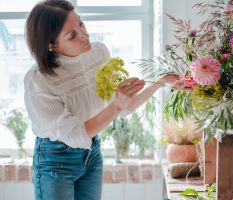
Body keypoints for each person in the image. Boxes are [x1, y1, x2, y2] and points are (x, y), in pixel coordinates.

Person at [24, 0, 194, 200]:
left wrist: (162, 81)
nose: (84, 35)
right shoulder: (38, 81)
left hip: (91, 154)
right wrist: (117, 104)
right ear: (51, 45)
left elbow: (125, 107)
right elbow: (77, 134)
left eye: (81, 24)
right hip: (55, 160)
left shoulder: (98, 54)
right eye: (72, 35)